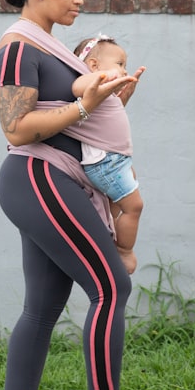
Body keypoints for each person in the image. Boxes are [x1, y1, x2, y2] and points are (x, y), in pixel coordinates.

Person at [0, 0, 172, 390]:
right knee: (112, 287)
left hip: (46, 181)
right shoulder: (17, 48)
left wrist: (110, 102)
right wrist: (83, 105)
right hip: (39, 177)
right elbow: (16, 127)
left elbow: (80, 123)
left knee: (42, 308)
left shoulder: (50, 47)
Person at [71, 35, 144, 277]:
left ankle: (106, 235)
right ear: (93, 66)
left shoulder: (106, 95)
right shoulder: (87, 85)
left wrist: (121, 91)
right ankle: (123, 250)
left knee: (119, 204)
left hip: (115, 161)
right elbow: (77, 86)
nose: (123, 70)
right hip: (106, 163)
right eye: (119, 64)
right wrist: (104, 78)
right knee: (134, 206)